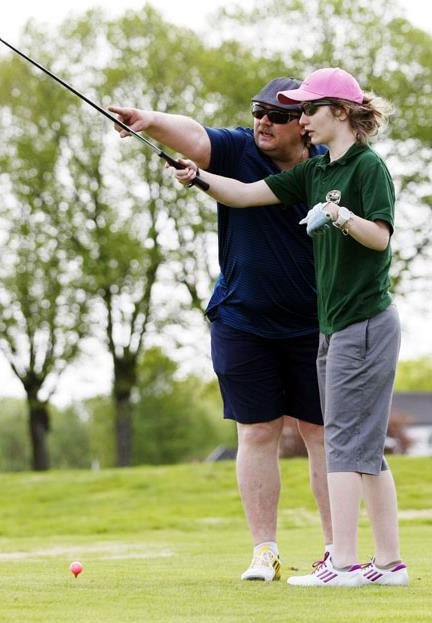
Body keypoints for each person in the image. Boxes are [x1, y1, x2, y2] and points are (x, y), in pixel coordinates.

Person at [172, 67, 408, 587]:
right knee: (360, 448)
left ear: (340, 113)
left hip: (364, 322)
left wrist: (339, 216)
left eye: (308, 109)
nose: (301, 119)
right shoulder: (316, 174)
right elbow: (245, 194)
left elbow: (379, 238)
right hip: (335, 325)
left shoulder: (367, 168)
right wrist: (199, 177)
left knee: (345, 443)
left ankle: (343, 563)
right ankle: (389, 564)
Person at [109, 77, 333, 583]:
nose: (262, 122)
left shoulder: (327, 168)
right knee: (257, 432)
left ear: (304, 123)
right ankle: (265, 552)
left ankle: (336, 551)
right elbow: (194, 135)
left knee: (321, 433)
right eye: (258, 111)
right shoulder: (238, 149)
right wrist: (151, 120)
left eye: (275, 115)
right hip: (242, 319)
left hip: (314, 322)